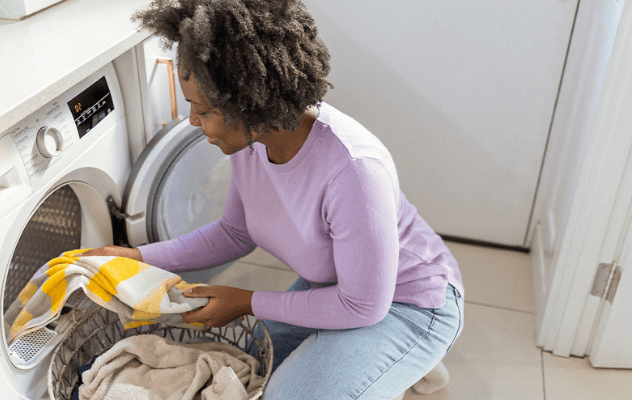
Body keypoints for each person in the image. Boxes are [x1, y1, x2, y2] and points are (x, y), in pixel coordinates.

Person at [79, 0, 465, 398]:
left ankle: (412, 355)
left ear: (250, 104)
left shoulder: (354, 170)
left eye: (203, 109)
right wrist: (140, 258)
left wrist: (247, 301)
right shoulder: (255, 141)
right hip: (334, 286)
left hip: (409, 302)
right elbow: (234, 232)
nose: (194, 122)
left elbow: (364, 306)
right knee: (247, 365)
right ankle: (389, 364)